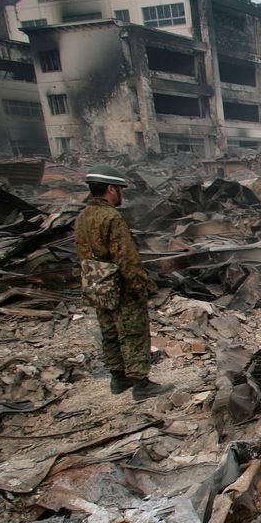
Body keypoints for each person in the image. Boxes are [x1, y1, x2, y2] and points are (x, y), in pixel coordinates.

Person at [74, 166, 173, 400]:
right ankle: (141, 384)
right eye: (120, 189)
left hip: (97, 283)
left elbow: (83, 254)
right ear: (110, 189)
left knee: (109, 331)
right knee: (133, 332)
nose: (121, 194)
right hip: (121, 286)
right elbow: (126, 258)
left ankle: (118, 379)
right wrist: (142, 287)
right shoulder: (111, 217)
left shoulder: (82, 217)